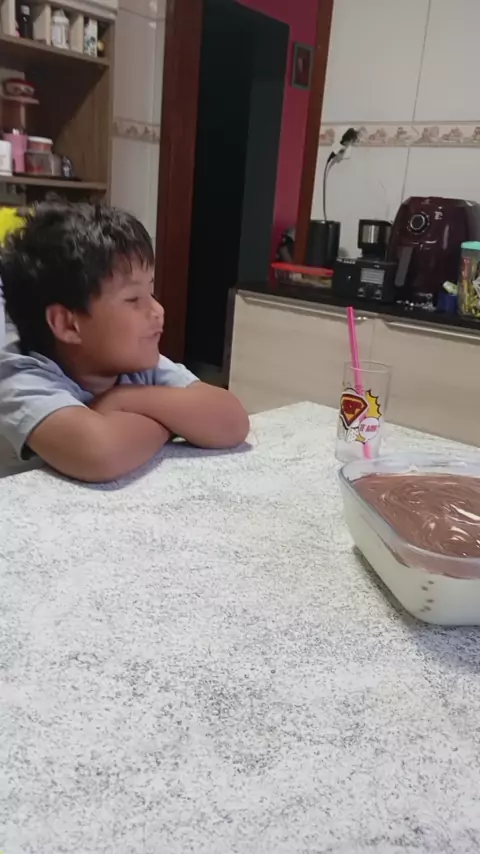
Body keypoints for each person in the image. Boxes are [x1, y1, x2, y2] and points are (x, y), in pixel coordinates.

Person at [0, 201, 249, 483]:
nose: (158, 310)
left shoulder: (134, 365)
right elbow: (102, 454)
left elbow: (232, 421)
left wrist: (123, 399)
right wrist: (174, 420)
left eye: (151, 292)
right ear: (68, 324)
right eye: (133, 299)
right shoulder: (17, 378)